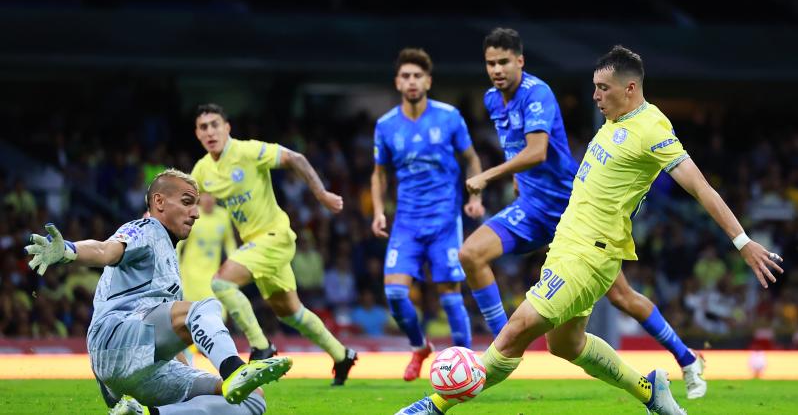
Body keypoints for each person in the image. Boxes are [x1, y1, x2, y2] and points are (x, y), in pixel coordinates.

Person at [396, 45, 784, 415]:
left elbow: (700, 187)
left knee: (517, 329)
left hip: (591, 254)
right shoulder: (614, 120)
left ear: (630, 89)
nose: (595, 95)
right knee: (565, 344)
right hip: (567, 244)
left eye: (604, 88)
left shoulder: (651, 128)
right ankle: (650, 392)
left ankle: (437, 404)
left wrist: (742, 241)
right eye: (595, 87)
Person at [459, 27, 707, 397]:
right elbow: (517, 150)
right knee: (471, 253)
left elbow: (537, 151)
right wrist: (517, 182)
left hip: (568, 210)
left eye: (504, 62)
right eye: (490, 63)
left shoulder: (537, 93)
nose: (496, 70)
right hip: (531, 207)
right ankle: (500, 342)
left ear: (520, 62)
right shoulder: (493, 100)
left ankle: (686, 358)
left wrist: (488, 176)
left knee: (622, 297)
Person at [24, 169, 292, 415]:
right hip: (118, 341)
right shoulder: (145, 229)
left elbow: (167, 339)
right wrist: (69, 250)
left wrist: (189, 382)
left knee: (252, 399)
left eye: (196, 204)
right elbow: (105, 250)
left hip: (147, 367)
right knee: (202, 309)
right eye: (188, 202)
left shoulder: (169, 259)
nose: (196, 213)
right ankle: (235, 369)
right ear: (159, 202)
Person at [191, 103, 357, 385]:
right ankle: (342, 355)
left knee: (221, 283)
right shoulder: (203, 169)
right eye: (203, 127)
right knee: (292, 314)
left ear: (227, 127)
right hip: (256, 245)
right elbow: (185, 196)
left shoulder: (247, 151)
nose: (210, 131)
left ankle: (261, 346)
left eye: (215, 124)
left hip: (274, 237)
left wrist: (322, 194)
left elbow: (296, 158)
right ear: (197, 134)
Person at [371, 48, 485, 381]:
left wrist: (475, 195)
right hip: (406, 223)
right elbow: (379, 173)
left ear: (428, 81)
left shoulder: (449, 117)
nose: (411, 81)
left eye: (417, 75)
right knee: (394, 293)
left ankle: (469, 368)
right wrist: (379, 211)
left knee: (450, 297)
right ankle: (420, 347)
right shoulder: (386, 125)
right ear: (397, 82)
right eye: (405, 76)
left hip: (445, 222)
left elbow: (473, 159)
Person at [178, 192, 237, 303]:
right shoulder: (191, 214)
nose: (208, 199)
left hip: (213, 276)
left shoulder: (223, 215)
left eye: (211, 194)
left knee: (216, 314)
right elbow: (178, 243)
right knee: (189, 315)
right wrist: (174, 267)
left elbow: (229, 242)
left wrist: (233, 263)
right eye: (205, 195)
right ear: (199, 197)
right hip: (190, 276)